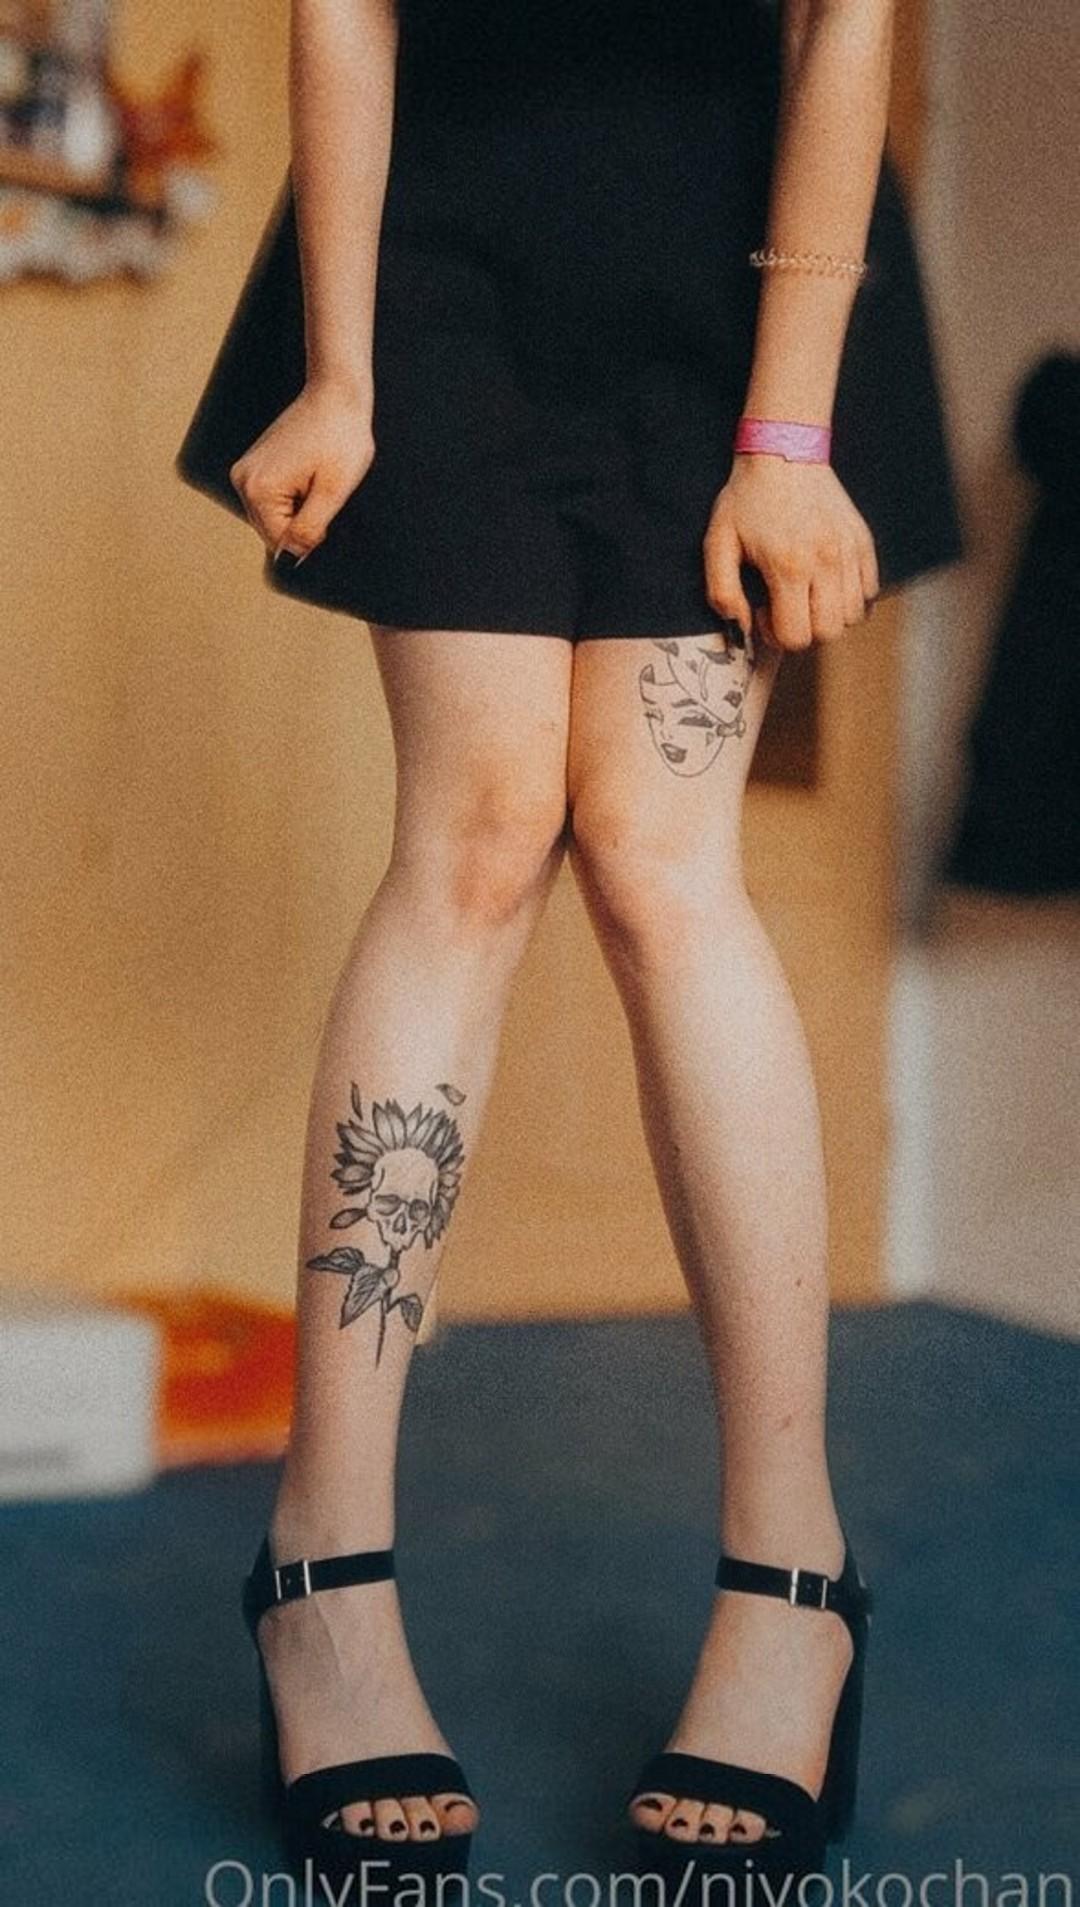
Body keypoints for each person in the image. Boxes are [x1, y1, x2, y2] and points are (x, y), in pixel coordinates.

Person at [177, 0, 962, 1886]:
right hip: (438, 243)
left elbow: (844, 23)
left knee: (662, 861)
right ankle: (321, 1567)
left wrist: (790, 433)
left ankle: (794, 1580)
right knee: (471, 842)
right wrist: (340, 370)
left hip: (754, 260)